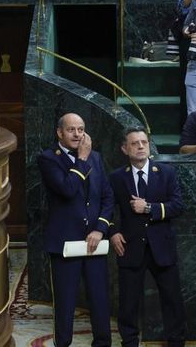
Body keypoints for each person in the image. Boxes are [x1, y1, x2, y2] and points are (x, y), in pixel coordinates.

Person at [36, 113, 113, 347]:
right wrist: (82, 159)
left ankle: (102, 344)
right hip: (65, 243)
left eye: (81, 129)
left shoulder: (96, 158)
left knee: (100, 300)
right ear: (59, 132)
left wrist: (100, 228)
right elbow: (68, 189)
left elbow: (107, 197)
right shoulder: (49, 159)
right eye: (72, 130)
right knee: (66, 302)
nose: (78, 134)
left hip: (94, 242)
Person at [109, 127, 186, 347]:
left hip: (162, 247)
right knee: (128, 302)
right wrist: (113, 232)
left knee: (172, 300)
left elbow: (178, 206)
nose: (141, 146)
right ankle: (130, 342)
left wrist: (149, 208)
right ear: (125, 148)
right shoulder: (116, 177)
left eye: (144, 142)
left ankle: (177, 342)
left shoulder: (166, 173)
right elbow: (107, 208)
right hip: (130, 247)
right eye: (135, 143)